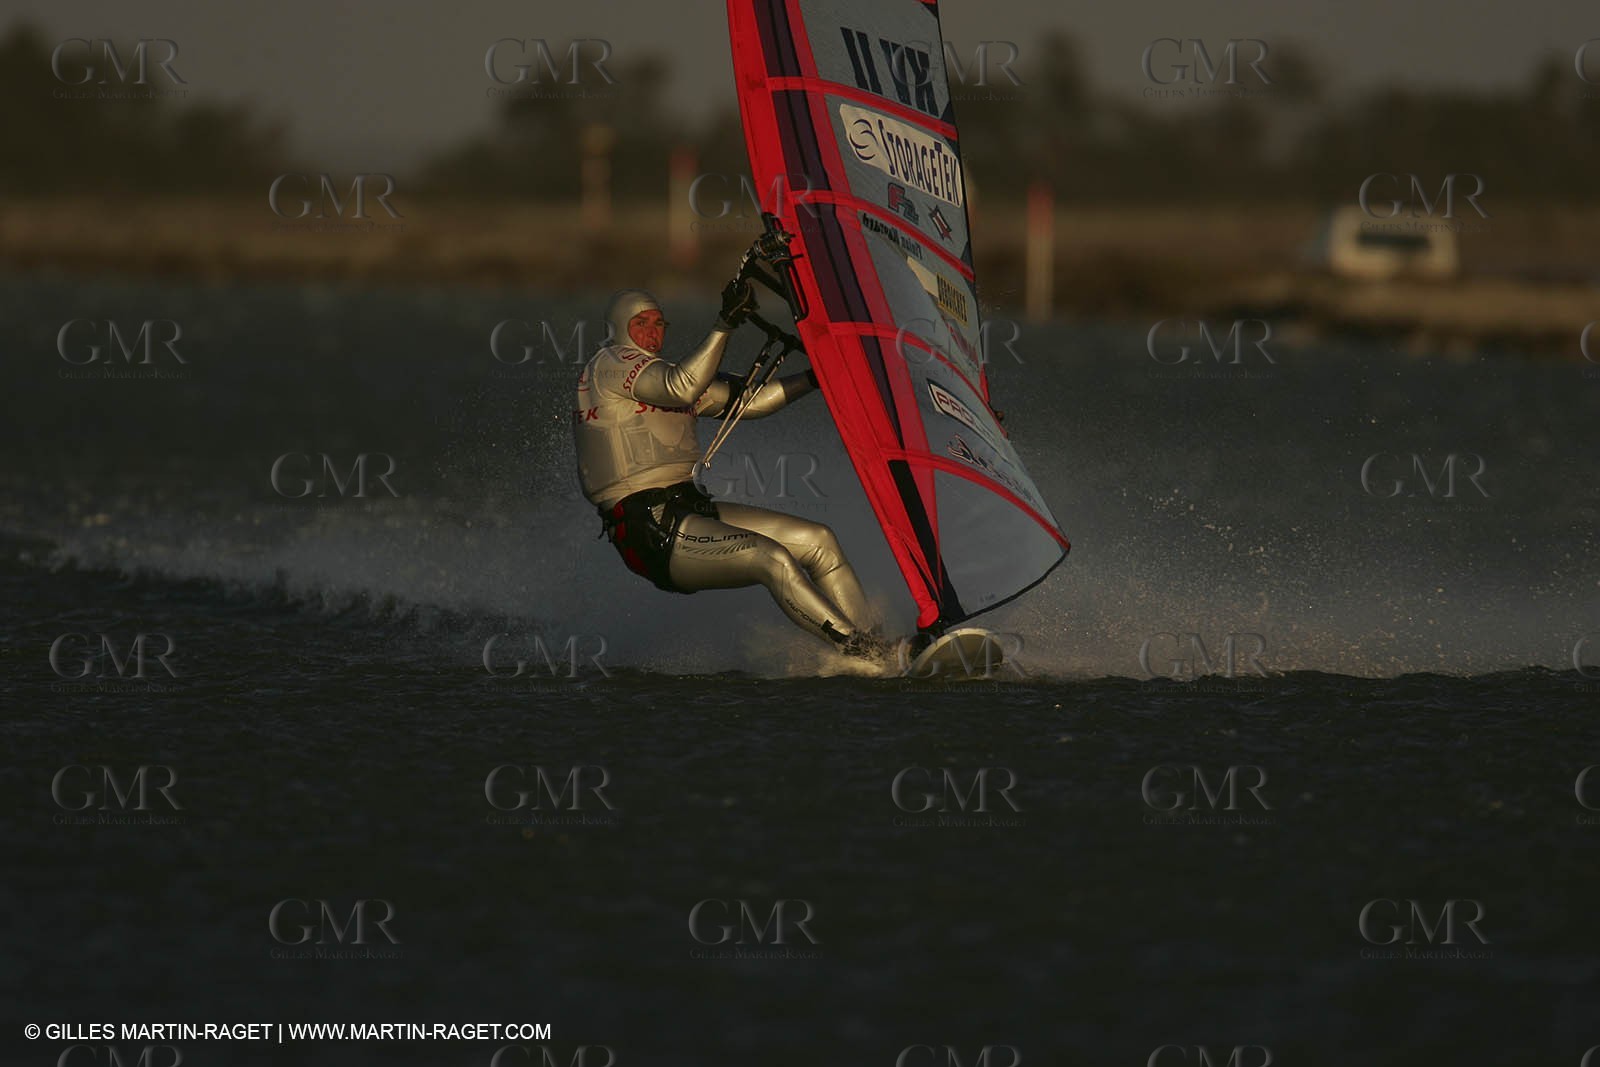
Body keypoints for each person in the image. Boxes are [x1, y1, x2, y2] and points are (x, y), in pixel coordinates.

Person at [573, 277, 888, 660]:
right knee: (771, 559)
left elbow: (751, 403)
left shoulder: (660, 377)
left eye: (659, 324)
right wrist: (724, 324)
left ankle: (882, 648)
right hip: (649, 528)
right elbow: (682, 387)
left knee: (820, 541)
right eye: (642, 324)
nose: (652, 333)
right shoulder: (610, 365)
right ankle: (860, 651)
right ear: (619, 327)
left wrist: (816, 378)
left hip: (689, 510)